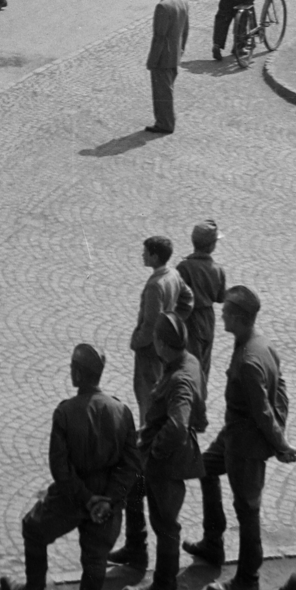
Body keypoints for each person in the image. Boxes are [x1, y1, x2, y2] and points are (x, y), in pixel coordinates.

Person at [0, 344, 141, 590]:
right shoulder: (122, 410)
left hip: (73, 495)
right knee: (97, 556)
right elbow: (132, 463)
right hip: (107, 497)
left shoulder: (65, 412)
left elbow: (60, 469)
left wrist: (87, 499)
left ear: (77, 373)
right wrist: (108, 499)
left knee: (33, 528)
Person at [186, 286, 296, 590]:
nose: (220, 315)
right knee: (204, 467)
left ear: (238, 317)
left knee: (247, 511)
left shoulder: (250, 359)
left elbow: (263, 410)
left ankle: (247, 581)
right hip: (233, 436)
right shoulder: (260, 345)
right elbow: (281, 392)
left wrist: (280, 443)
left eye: (225, 313)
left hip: (245, 447)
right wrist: (279, 428)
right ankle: (213, 541)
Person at [118, 313, 205, 590]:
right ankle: (135, 547)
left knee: (165, 523)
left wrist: (154, 452)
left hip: (165, 461)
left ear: (162, 344)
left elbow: (178, 424)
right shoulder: (189, 361)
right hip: (156, 451)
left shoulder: (179, 377)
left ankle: (163, 587)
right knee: (134, 488)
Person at [113, 236, 189, 570]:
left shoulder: (157, 285)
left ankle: (147, 436)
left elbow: (150, 323)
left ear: (154, 255)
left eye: (145, 251)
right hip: (162, 347)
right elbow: (187, 300)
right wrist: (178, 324)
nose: (141, 254)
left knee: (148, 396)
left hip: (149, 352)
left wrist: (138, 341)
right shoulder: (174, 276)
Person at [176, 221, 228, 382]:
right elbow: (220, 297)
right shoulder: (218, 269)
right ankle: (200, 396)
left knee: (188, 360)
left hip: (188, 318)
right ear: (211, 246)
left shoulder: (184, 267)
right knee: (204, 360)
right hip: (207, 318)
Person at [144, 0, 189, 135]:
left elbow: (159, 37)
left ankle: (165, 123)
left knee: (162, 92)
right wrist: (181, 50)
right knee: (166, 90)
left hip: (163, 57)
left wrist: (152, 60)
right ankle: (165, 121)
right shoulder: (182, 1)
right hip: (175, 54)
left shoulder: (163, 6)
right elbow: (185, 30)